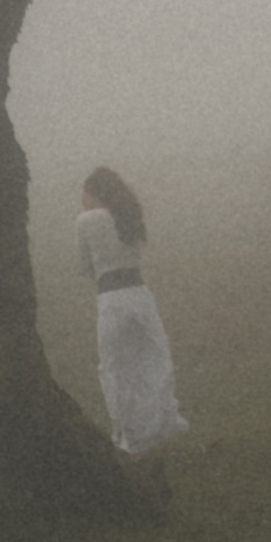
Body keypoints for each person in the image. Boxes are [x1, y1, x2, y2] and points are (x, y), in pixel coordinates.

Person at [75, 166, 189, 455]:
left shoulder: (86, 220)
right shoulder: (128, 214)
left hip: (110, 298)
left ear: (94, 193)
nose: (82, 200)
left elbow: (84, 267)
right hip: (140, 294)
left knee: (114, 368)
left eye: (84, 194)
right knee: (152, 358)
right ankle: (160, 421)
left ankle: (127, 432)